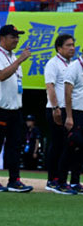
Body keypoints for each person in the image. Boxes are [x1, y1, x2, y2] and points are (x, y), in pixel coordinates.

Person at [0, 24, 33, 193]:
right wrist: (20, 60)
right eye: (13, 36)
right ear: (3, 38)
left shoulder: (12, 56)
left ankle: (14, 180)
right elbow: (1, 76)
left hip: (14, 109)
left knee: (15, 146)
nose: (17, 40)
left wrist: (17, 59)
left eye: (18, 36)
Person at [44, 34, 75, 194]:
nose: (72, 48)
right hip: (57, 109)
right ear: (59, 48)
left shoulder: (73, 65)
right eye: (68, 45)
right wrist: (55, 107)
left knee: (67, 145)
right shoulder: (53, 64)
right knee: (57, 145)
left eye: (73, 45)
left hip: (69, 109)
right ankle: (52, 179)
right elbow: (50, 86)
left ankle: (63, 178)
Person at [63, 53, 83, 193]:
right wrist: (69, 116)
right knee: (70, 147)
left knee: (81, 150)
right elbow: (67, 93)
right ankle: (62, 182)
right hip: (75, 112)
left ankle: (75, 182)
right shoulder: (74, 67)